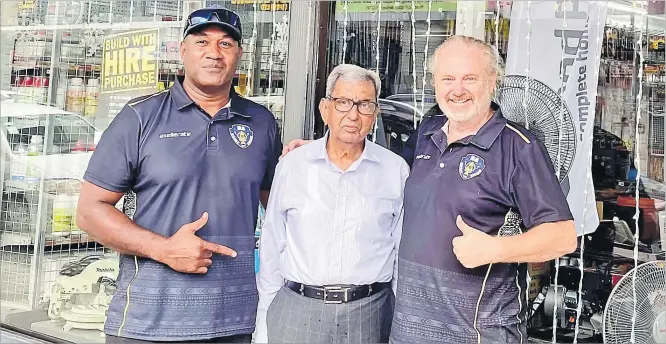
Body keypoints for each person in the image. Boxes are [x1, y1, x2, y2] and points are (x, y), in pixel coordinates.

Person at [281, 35, 577, 343]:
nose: (457, 89)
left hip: (476, 334)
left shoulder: (519, 147)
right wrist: (329, 148)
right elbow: (380, 170)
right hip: (407, 331)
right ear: (435, 83)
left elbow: (563, 236)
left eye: (470, 78)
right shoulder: (429, 131)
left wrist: (495, 249)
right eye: (447, 78)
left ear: (493, 82)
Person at [76, 7, 281, 344]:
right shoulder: (139, 118)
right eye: (202, 42)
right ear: (182, 50)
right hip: (148, 323)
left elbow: (279, 205)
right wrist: (163, 249)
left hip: (236, 323)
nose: (214, 53)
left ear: (239, 55)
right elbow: (89, 211)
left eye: (226, 44)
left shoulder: (261, 123)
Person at [254, 64, 409, 343]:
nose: (353, 114)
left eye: (364, 104)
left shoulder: (394, 170)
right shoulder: (293, 165)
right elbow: (271, 247)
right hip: (298, 310)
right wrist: (263, 330)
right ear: (325, 109)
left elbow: (400, 253)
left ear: (375, 114)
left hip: (370, 313)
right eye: (343, 102)